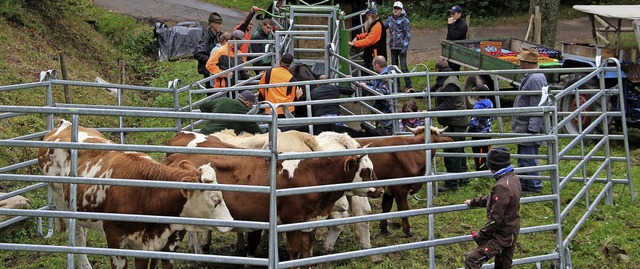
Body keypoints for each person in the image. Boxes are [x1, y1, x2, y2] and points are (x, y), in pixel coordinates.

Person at [463, 145, 521, 269]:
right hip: (511, 231)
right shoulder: (512, 178)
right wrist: (474, 202)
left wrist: (481, 236)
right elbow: (495, 199)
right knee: (503, 265)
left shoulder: (502, 186)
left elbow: (495, 218)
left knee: (472, 259)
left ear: (491, 165)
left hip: (502, 235)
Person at [432, 57, 469, 192]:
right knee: (458, 149)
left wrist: (431, 112)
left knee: (452, 151)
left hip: (456, 121)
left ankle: (452, 183)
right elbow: (435, 88)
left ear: (437, 70)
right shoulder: (446, 79)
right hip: (454, 120)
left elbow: (448, 103)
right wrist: (421, 94)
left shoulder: (450, 83)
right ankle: (463, 177)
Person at [513, 47, 546, 194]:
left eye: (521, 61)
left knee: (529, 156)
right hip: (524, 124)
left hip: (528, 125)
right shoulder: (533, 76)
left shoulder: (535, 78)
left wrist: (533, 128)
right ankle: (525, 184)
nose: (520, 64)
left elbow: (537, 104)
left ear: (527, 63)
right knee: (523, 156)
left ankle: (533, 186)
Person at [199, 90, 263, 135]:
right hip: (219, 141)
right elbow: (259, 133)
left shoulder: (223, 100)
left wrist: (213, 115)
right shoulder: (246, 115)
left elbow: (202, 106)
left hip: (202, 135)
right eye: (252, 103)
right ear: (248, 102)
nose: (252, 107)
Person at [357, 55, 394, 134]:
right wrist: (358, 81)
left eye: (373, 65)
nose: (373, 67)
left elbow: (383, 92)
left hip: (386, 111)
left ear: (377, 65)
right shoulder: (381, 75)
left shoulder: (387, 76)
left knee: (386, 132)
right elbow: (371, 82)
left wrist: (368, 87)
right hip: (381, 110)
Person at [385, 1, 413, 92]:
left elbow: (407, 35)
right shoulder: (390, 19)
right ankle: (397, 85)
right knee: (394, 67)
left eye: (398, 9)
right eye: (394, 8)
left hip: (401, 48)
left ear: (401, 10)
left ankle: (409, 85)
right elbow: (383, 27)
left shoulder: (405, 21)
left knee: (403, 67)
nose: (395, 10)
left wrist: (404, 48)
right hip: (393, 47)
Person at [349, 7, 387, 71]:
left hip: (375, 57)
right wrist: (358, 37)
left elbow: (369, 41)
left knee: (373, 74)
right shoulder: (375, 24)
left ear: (371, 15)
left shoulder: (377, 26)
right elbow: (368, 34)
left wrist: (354, 44)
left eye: (366, 16)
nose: (365, 18)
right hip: (372, 56)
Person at [467, 84, 494, 171]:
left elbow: (473, 121)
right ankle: (488, 166)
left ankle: (480, 169)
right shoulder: (490, 103)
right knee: (487, 149)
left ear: (477, 95)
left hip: (478, 133)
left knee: (478, 152)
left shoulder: (478, 106)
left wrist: (470, 128)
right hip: (487, 131)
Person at [194, 12, 224, 89]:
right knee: (211, 93)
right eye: (219, 24)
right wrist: (212, 60)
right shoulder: (206, 37)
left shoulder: (219, 35)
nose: (221, 26)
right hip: (209, 70)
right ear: (212, 24)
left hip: (216, 69)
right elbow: (197, 54)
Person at [446, 5, 468, 72]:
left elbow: (454, 37)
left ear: (459, 14)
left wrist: (450, 25)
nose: (451, 15)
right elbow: (449, 36)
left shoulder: (463, 25)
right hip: (450, 50)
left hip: (457, 51)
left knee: (455, 71)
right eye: (451, 13)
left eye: (453, 13)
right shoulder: (454, 23)